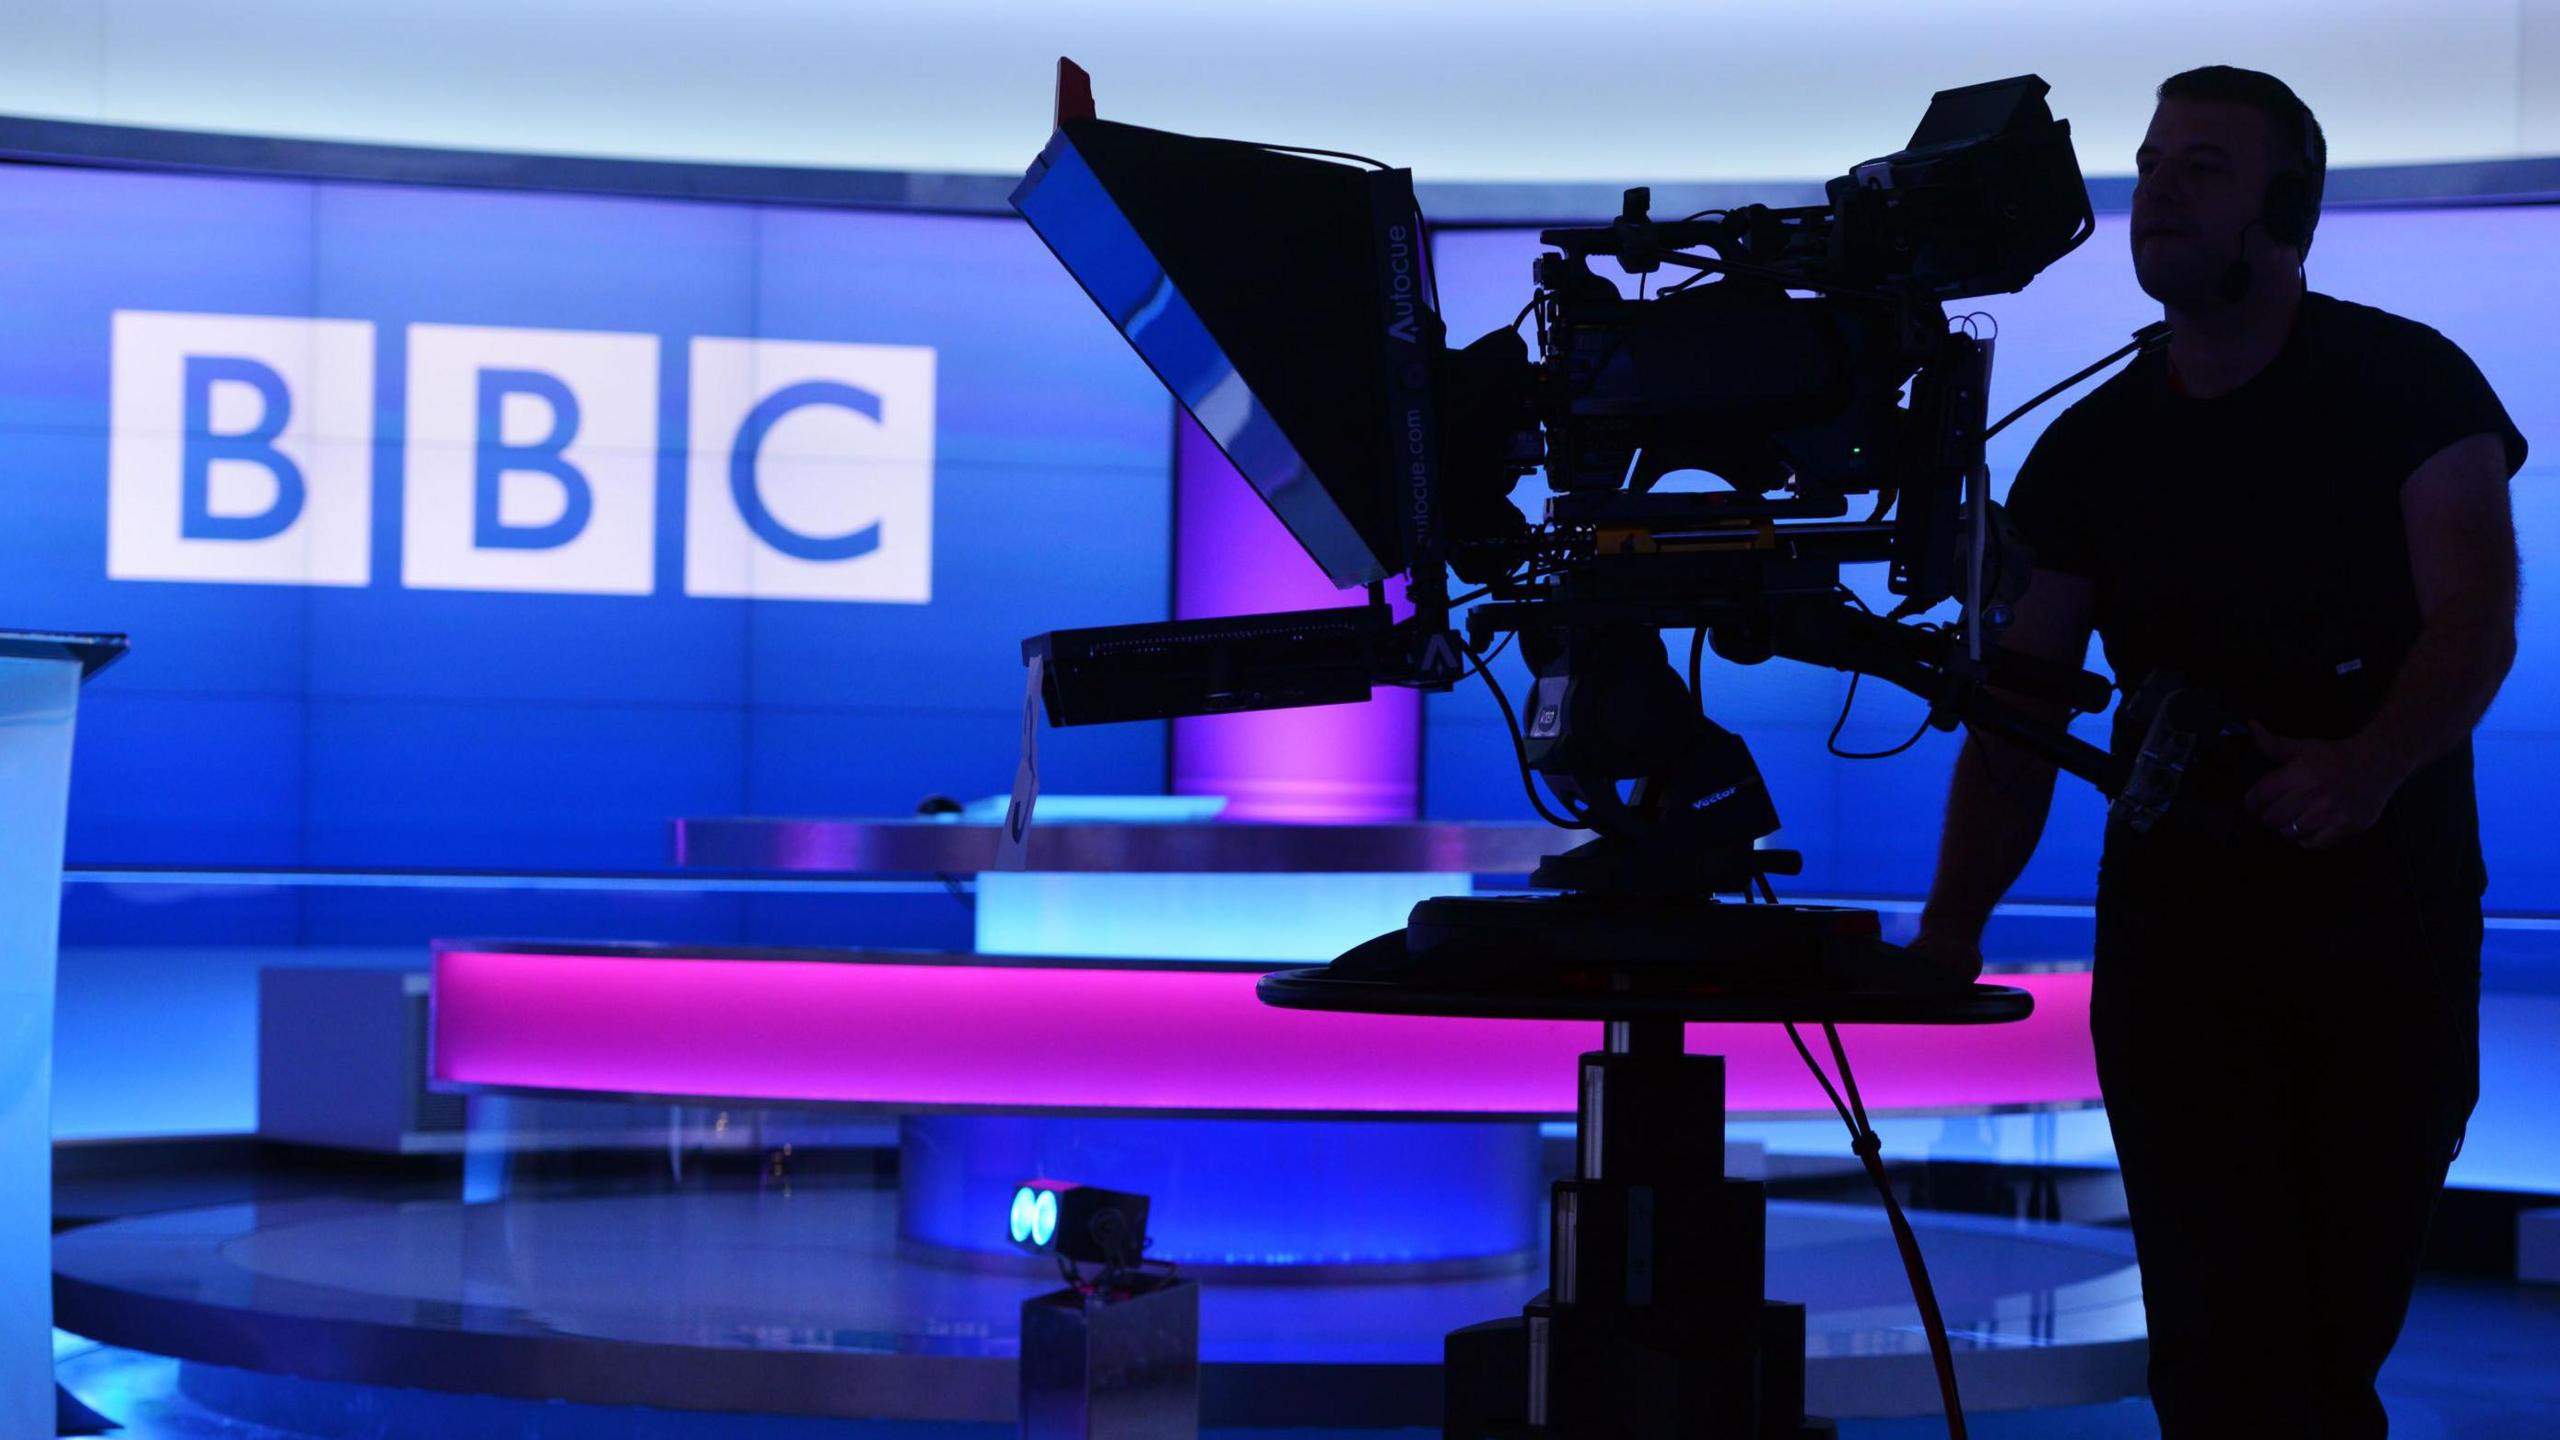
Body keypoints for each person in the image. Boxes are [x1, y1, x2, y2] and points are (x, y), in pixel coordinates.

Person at [1910, 66, 2528, 1436]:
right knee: (2211, 1347)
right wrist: (1948, 932)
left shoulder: (2411, 382)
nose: (2157, 193)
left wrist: (2364, 768)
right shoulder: (2089, 447)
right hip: (2178, 942)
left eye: (2201, 165)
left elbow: (2476, 612)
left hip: (2386, 935)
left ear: (2285, 211)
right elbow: (2019, 715)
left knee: (2326, 1338)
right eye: (2150, 162)